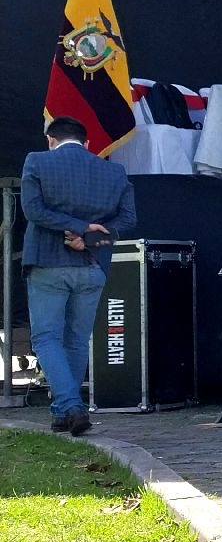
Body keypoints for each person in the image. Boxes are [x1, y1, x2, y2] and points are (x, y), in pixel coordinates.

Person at [20, 116, 137, 435]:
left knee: (46, 338)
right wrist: (90, 238)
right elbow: (128, 220)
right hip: (92, 264)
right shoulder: (114, 171)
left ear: (50, 140)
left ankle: (72, 405)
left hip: (47, 262)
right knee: (77, 339)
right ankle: (62, 413)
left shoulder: (37, 161)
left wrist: (80, 228)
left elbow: (33, 211)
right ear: (87, 144)